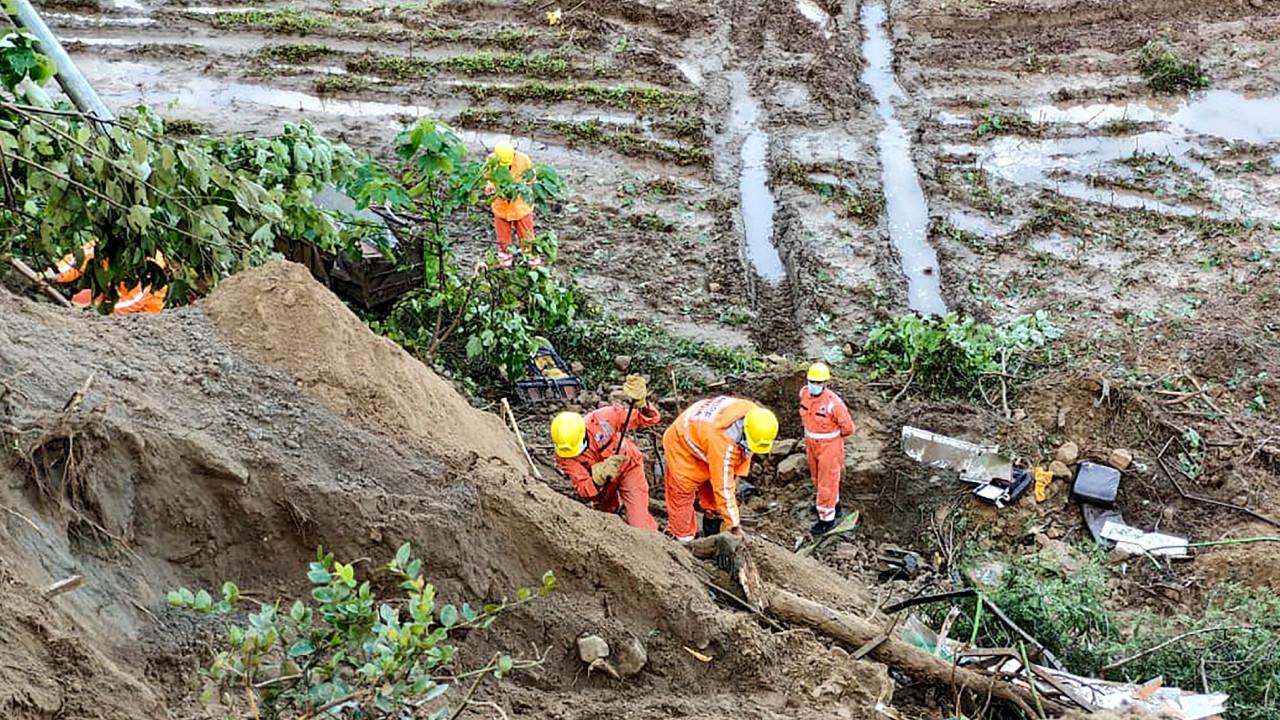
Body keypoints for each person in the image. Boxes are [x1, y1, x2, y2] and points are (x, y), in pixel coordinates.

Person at [550, 375, 659, 530]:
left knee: (640, 525)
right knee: (605, 522)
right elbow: (584, 489)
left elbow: (646, 419)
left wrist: (642, 404)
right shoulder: (564, 455)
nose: (573, 454)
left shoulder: (604, 419)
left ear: (583, 433)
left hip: (629, 467)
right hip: (604, 485)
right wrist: (597, 478)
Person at [662, 396, 778, 542]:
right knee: (682, 493)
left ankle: (713, 528)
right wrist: (734, 526)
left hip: (701, 435)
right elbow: (723, 486)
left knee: (716, 500)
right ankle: (682, 539)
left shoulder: (756, 417)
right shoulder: (723, 443)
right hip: (681, 444)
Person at [800, 362, 856, 536]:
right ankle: (832, 505)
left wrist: (830, 438)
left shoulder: (834, 404)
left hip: (829, 446)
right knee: (817, 478)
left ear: (825, 384)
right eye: (812, 381)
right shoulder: (804, 394)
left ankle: (827, 520)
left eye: (818, 383)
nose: (814, 386)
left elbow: (848, 428)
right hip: (811, 443)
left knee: (827, 482)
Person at [45, 240, 168, 315]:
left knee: (86, 301)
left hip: (141, 317)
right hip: (111, 296)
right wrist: (52, 274)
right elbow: (78, 259)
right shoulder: (105, 246)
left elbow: (135, 301)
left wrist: (93, 311)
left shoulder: (150, 264)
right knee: (83, 296)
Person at [484, 140, 539, 268]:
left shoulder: (524, 160)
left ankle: (532, 260)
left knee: (527, 236)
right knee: (503, 239)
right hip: (502, 207)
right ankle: (505, 261)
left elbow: (531, 180)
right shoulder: (491, 161)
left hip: (521, 206)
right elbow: (488, 178)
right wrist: (490, 187)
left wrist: (520, 189)